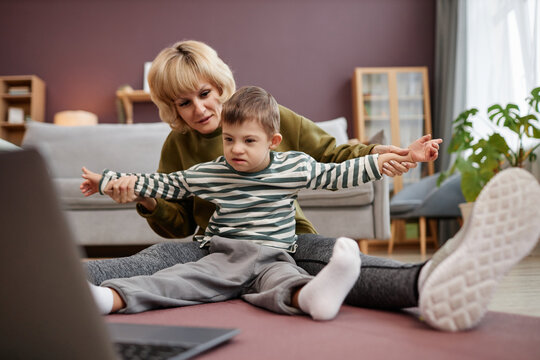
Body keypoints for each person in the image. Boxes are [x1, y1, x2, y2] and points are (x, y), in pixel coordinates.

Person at [83, 40, 540, 331]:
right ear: (171, 108)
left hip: (283, 238)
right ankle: (58, 283)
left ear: (219, 85)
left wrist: (388, 157)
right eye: (183, 103)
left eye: (204, 93)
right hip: (211, 245)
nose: (199, 109)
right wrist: (144, 198)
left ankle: (433, 280)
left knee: (339, 261)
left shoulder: (267, 116)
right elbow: (177, 222)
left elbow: (334, 158)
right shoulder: (177, 146)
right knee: (149, 262)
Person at [82, 86, 440, 320]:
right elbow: (166, 183)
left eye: (248, 141)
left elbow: (339, 173)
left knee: (287, 281)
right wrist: (107, 181)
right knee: (175, 281)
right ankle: (109, 299)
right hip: (223, 256)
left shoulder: (295, 166)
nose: (236, 149)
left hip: (276, 255)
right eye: (229, 139)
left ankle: (313, 298)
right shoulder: (211, 172)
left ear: (273, 141)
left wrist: (385, 160)